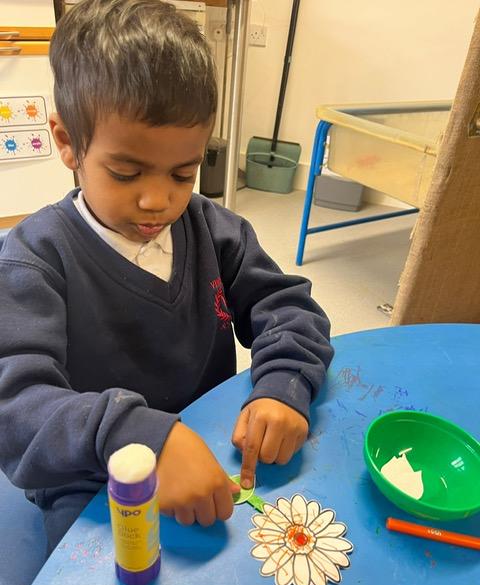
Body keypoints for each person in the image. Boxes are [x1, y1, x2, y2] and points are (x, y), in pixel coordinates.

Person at [0, 0, 333, 555]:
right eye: (126, 172)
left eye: (184, 172)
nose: (158, 201)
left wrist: (285, 386)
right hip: (90, 474)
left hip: (207, 442)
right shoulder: (33, 261)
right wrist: (133, 435)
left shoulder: (211, 227)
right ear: (66, 142)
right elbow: (15, 409)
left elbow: (289, 308)